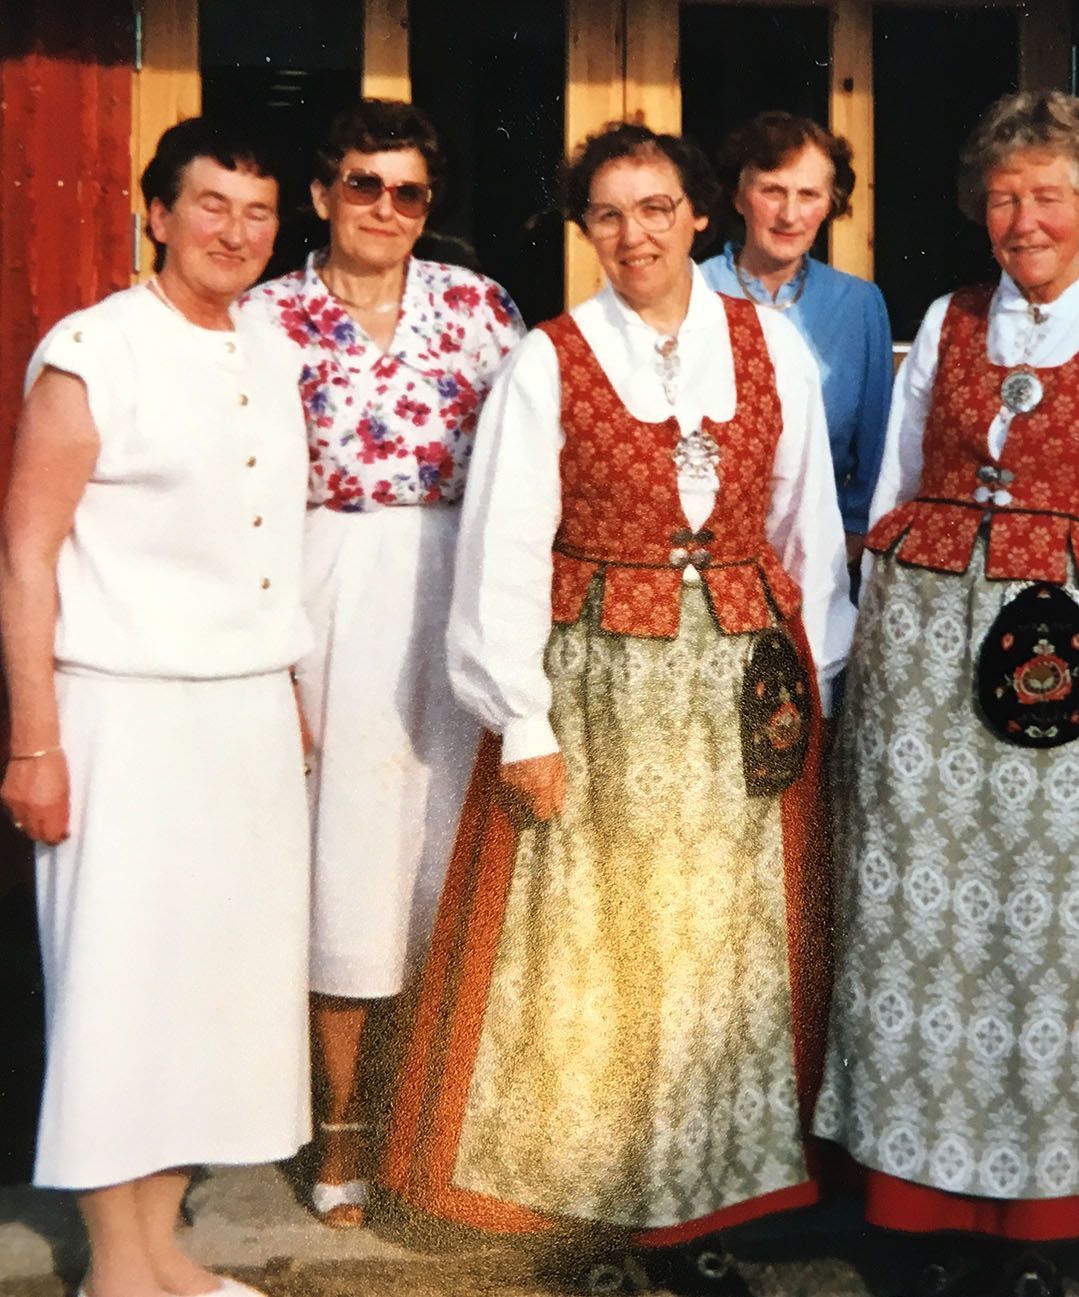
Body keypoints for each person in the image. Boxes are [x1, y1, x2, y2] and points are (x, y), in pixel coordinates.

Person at [380, 122, 853, 1294]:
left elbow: (810, 532)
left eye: (654, 208)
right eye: (607, 214)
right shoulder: (549, 360)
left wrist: (816, 684)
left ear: (699, 215)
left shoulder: (771, 346)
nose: (632, 234)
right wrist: (523, 721)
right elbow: (501, 550)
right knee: (595, 945)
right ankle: (587, 1214)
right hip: (598, 692)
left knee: (716, 947)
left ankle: (701, 1205)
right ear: (584, 230)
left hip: (739, 690)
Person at [812, 90, 1079, 1297]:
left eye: (1047, 195)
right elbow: (895, 493)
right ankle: (913, 1211)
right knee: (919, 929)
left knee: (1046, 934)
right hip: (917, 683)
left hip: (1063, 682)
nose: (1021, 218)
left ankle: (1035, 1228)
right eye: (1002, 196)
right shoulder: (945, 324)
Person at [0, 118, 312, 1297]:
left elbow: (269, 542)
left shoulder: (271, 346)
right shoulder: (93, 352)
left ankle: (161, 1253)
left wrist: (285, 688)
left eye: (258, 211)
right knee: (119, 989)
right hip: (119, 717)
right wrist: (35, 743)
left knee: (206, 988)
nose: (235, 232)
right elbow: (26, 558)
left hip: (240, 714)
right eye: (211, 205)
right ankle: (115, 1273)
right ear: (157, 215)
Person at [239, 99, 525, 1230]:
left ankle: (431, 1124)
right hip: (322, 582)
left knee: (444, 853)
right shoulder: (269, 316)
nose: (387, 210)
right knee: (342, 863)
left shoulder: (478, 307)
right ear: (322, 195)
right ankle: (341, 1127)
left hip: (456, 580)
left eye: (409, 191)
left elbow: (524, 470)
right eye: (365, 185)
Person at [700, 111, 893, 564]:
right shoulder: (693, 294)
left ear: (831, 203)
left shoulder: (859, 305)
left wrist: (851, 537)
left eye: (808, 194)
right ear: (739, 196)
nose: (789, 214)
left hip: (823, 558)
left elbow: (877, 449)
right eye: (772, 191)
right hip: (705, 556)